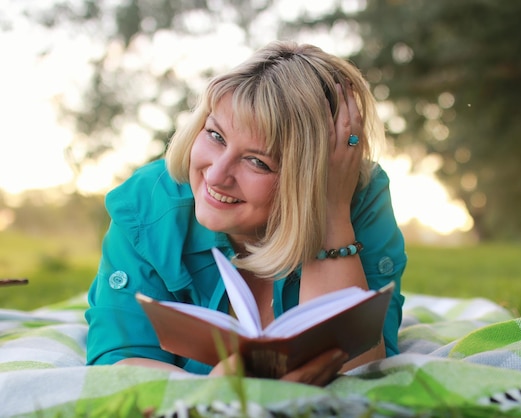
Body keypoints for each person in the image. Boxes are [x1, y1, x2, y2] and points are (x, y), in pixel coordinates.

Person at [85, 41, 406, 386]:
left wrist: (329, 212)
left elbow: (359, 371)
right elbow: (120, 360)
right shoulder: (146, 203)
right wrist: (217, 389)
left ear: (311, 177)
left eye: (258, 161)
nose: (216, 174)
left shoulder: (358, 199)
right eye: (215, 135)